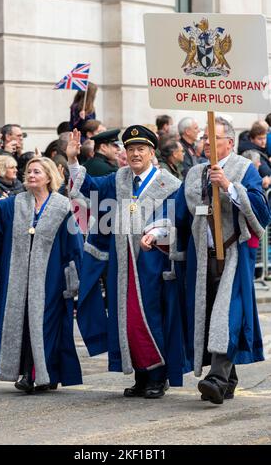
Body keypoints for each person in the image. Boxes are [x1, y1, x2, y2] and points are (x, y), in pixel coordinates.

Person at [68, 125, 190, 399]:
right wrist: (74, 160)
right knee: (126, 318)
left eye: (141, 149)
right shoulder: (119, 178)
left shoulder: (168, 183)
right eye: (131, 149)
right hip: (122, 265)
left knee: (151, 317)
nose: (135, 154)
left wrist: (157, 232)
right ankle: (140, 374)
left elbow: (177, 219)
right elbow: (89, 187)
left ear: (151, 153)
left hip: (152, 262)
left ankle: (158, 376)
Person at [175, 117, 271, 405]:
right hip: (202, 258)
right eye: (205, 138)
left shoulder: (243, 169)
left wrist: (229, 186)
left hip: (232, 255)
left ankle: (216, 379)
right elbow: (180, 214)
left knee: (226, 316)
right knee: (206, 316)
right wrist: (157, 232)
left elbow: (261, 212)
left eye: (213, 138)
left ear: (229, 142)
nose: (207, 143)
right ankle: (228, 379)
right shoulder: (194, 173)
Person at [0, 156, 83, 393]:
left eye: (37, 172)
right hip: (17, 279)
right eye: (29, 172)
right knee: (20, 324)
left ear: (49, 177)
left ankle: (42, 373)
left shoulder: (63, 206)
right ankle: (27, 373)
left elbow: (73, 245)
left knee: (45, 325)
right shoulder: (14, 203)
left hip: (50, 280)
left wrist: (73, 279)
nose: (31, 175)